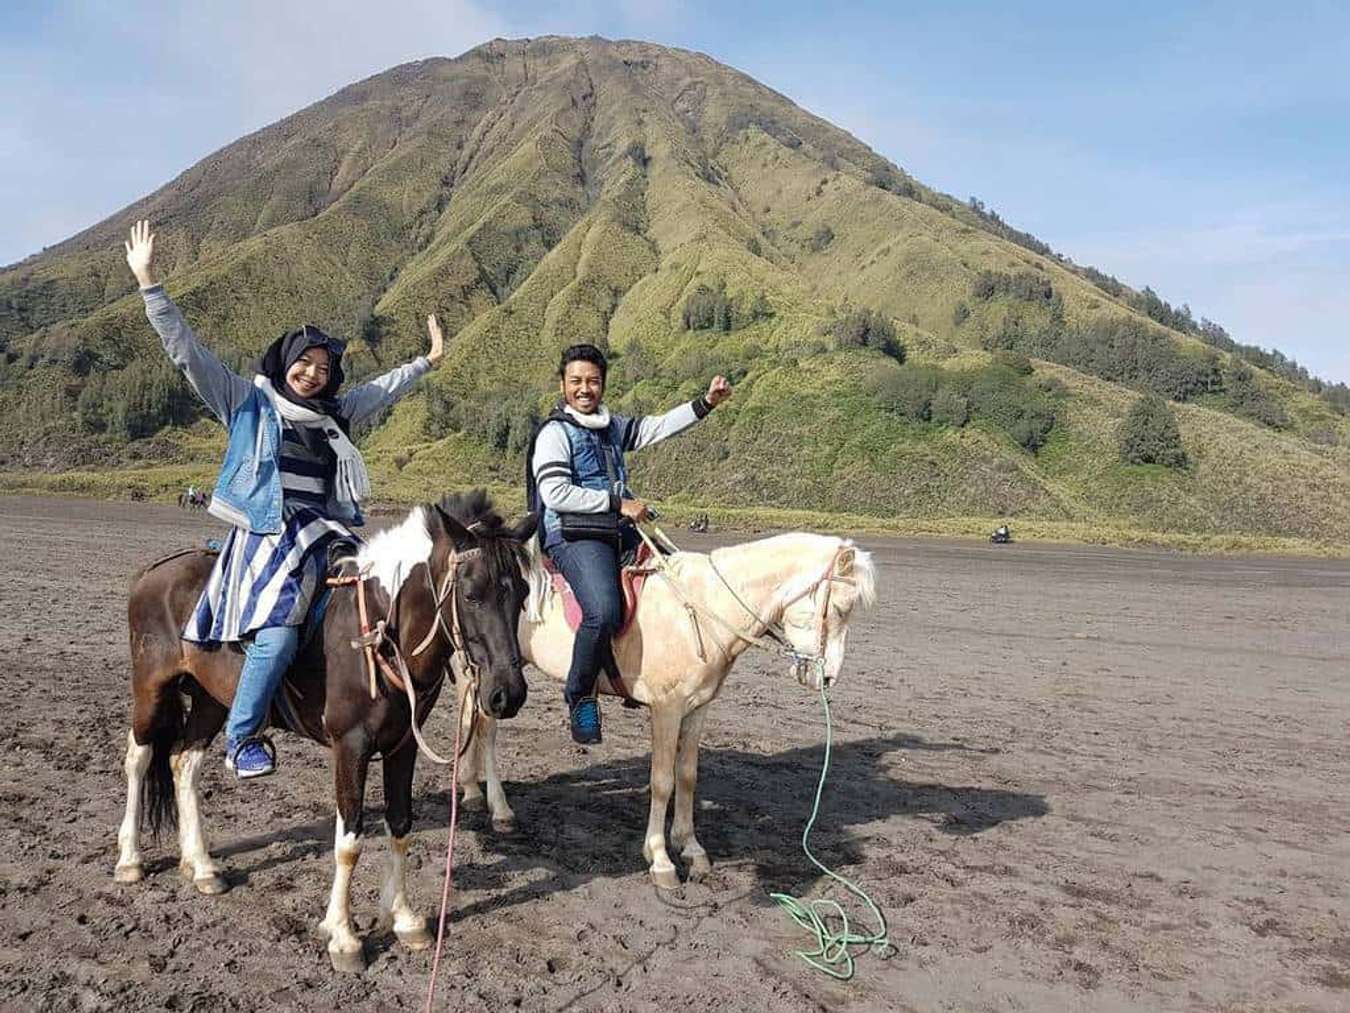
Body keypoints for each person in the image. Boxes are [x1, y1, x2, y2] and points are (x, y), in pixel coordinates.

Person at [124, 220, 445, 779]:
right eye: (305, 363)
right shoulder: (249, 403)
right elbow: (189, 355)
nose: (313, 375)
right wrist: (150, 285)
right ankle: (243, 734)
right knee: (278, 630)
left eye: (323, 369)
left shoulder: (335, 416)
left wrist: (427, 361)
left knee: (381, 605)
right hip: (271, 539)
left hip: (326, 534)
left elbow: (382, 389)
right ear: (284, 361)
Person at [526, 343, 732, 744]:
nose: (585, 389)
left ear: (602, 384)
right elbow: (555, 494)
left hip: (613, 528)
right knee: (602, 610)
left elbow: (656, 427)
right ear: (563, 385)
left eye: (593, 381)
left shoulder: (611, 427)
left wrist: (706, 403)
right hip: (572, 535)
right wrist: (618, 503)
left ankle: (647, 671)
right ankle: (581, 694)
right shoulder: (554, 433)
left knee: (677, 586)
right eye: (577, 382)